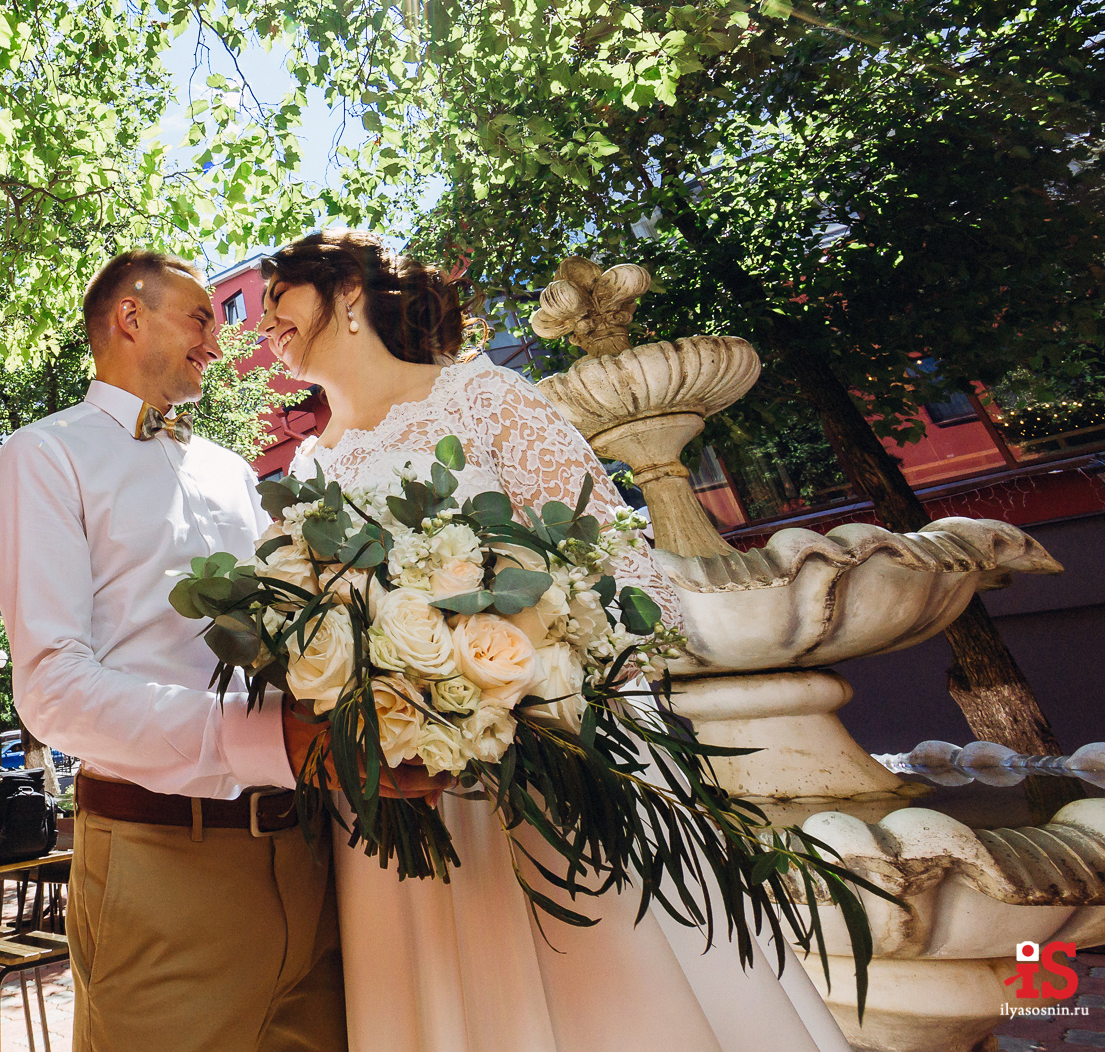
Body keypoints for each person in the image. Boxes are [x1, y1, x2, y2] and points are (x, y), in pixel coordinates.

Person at [255, 228, 853, 1052]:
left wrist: (519, 676)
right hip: (405, 794)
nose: (264, 322)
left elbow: (629, 572)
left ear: (347, 293)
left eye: (277, 296)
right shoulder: (314, 469)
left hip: (554, 764)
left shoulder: (483, 398)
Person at [0, 250, 359, 1052]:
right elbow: (52, 690)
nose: (215, 345)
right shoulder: (43, 457)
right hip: (161, 871)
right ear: (129, 317)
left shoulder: (234, 472)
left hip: (311, 860)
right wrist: (267, 739)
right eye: (201, 319)